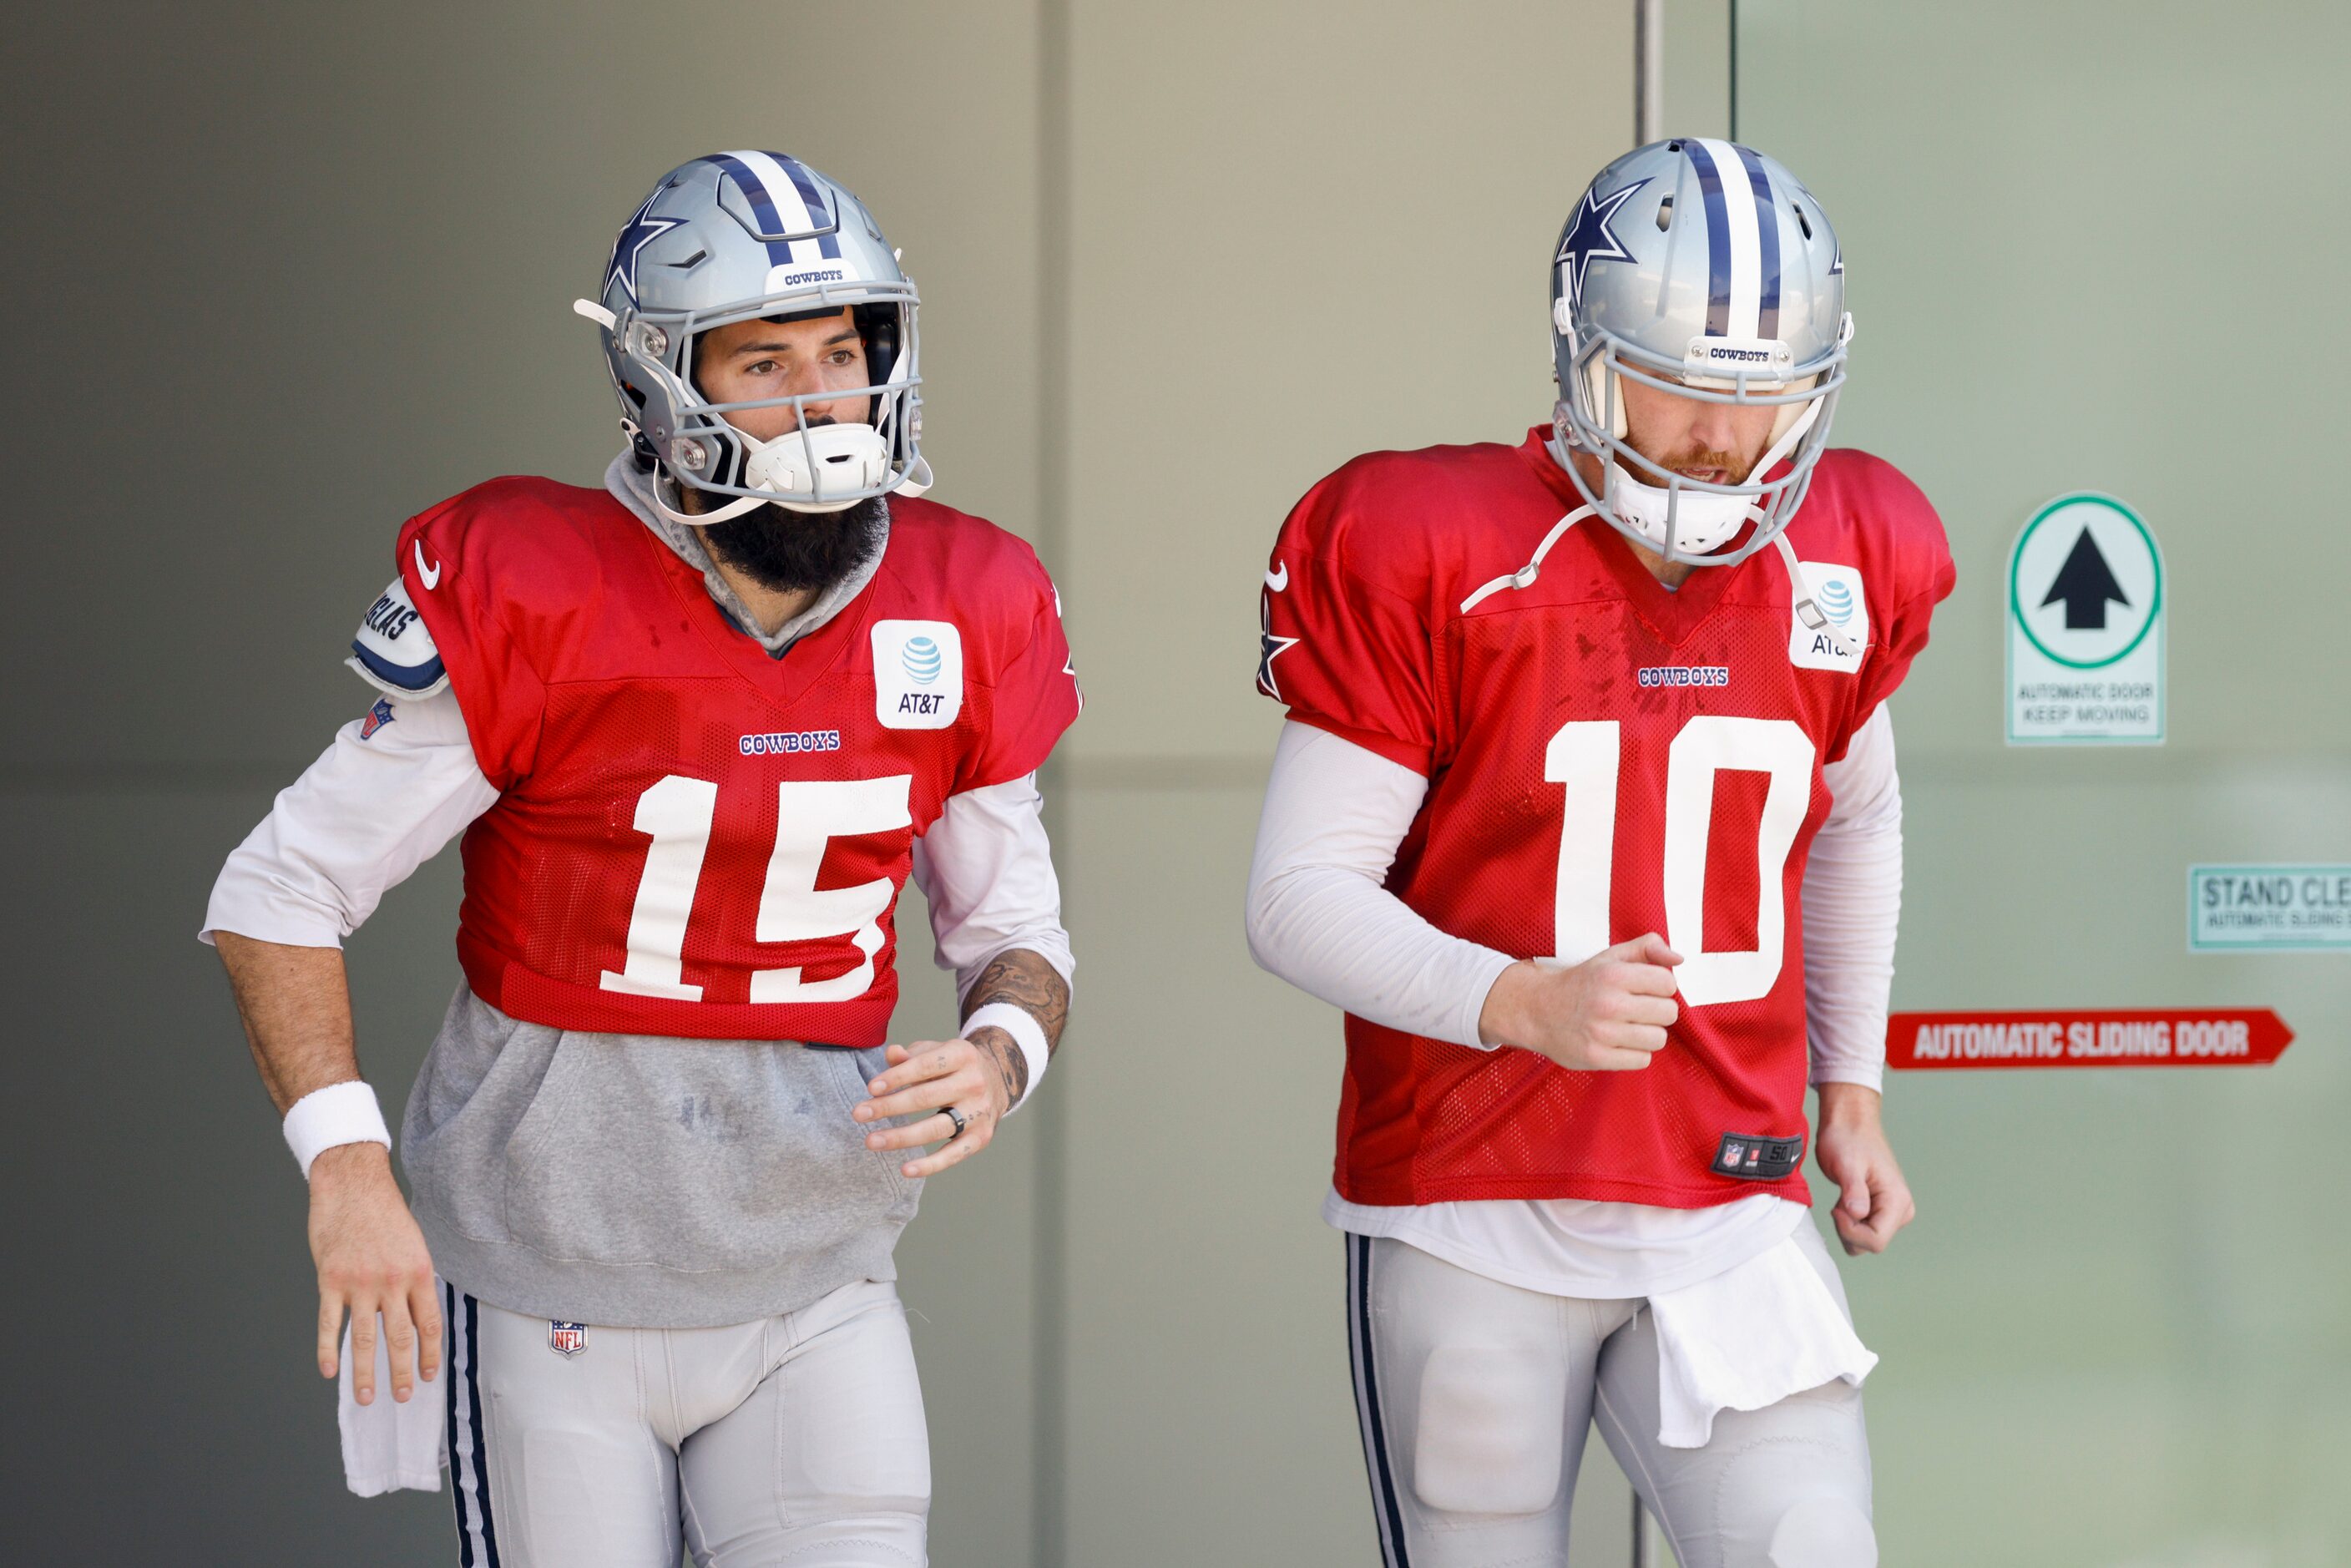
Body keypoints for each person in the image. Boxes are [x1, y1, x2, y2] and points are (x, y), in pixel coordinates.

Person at [205, 151, 1080, 1566]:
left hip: (820, 1279)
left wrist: (1000, 1054)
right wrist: (347, 1169)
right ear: (662, 381)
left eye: (844, 350)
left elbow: (1019, 936)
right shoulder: (537, 580)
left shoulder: (964, 596)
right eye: (761, 360)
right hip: (551, 1288)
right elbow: (276, 892)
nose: (819, 396)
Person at [1245, 138, 1954, 1567]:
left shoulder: (1842, 556)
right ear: (1584, 355)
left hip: (1731, 1196)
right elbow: (1294, 896)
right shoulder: (1438, 545)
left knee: (1815, 1544)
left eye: (1762, 399)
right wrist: (1523, 1001)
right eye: (1683, 385)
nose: (1720, 440)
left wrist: (1853, 1083)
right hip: (1472, 1205)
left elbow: (1856, 815)